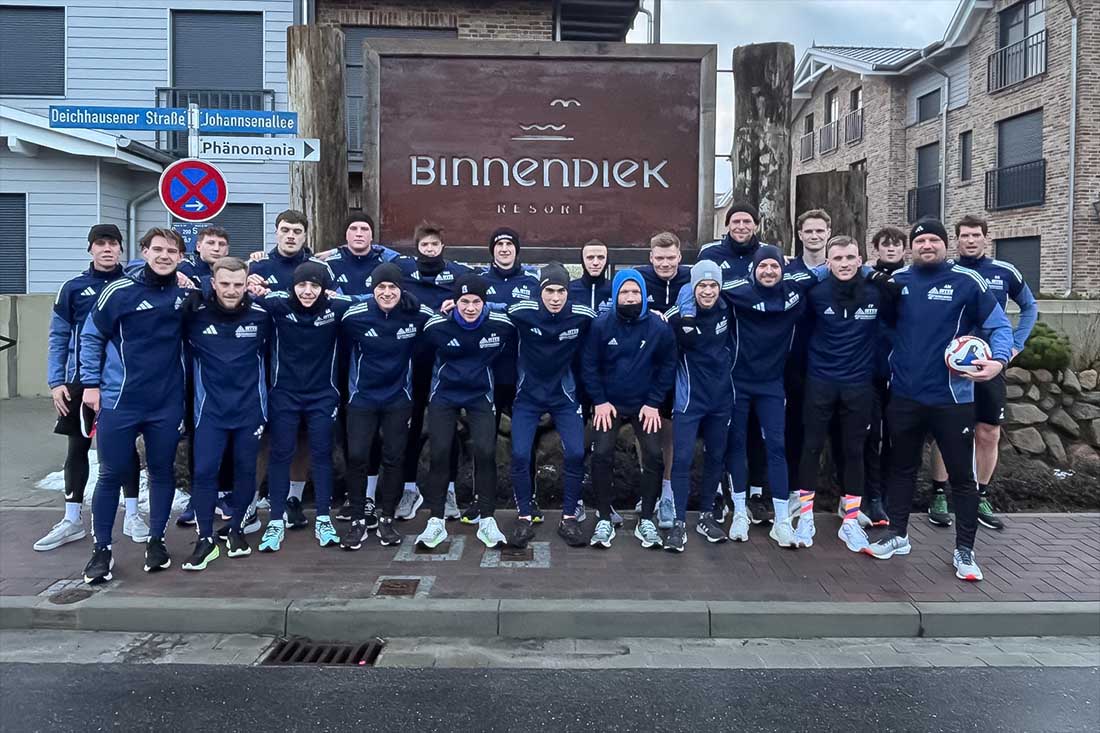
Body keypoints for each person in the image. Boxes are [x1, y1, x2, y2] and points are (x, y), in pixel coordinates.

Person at [865, 219, 1013, 583]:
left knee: (961, 477)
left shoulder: (967, 281)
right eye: (920, 241)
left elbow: (999, 326)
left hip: (951, 398)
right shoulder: (899, 281)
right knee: (902, 468)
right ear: (911, 247)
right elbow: (879, 320)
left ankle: (965, 550)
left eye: (934, 240)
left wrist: (998, 360)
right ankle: (898, 534)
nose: (927, 245)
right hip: (905, 395)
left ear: (946, 245)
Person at [677, 244, 821, 547]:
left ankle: (782, 521)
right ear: (753, 270)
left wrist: (868, 272)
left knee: (777, 446)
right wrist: (687, 312)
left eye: (774, 266)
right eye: (762, 266)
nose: (768, 271)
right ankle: (740, 512)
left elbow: (825, 271)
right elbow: (698, 285)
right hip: (738, 382)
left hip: (772, 384)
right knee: (737, 445)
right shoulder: (737, 291)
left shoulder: (794, 293)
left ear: (782, 269)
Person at [79, 228, 189, 584]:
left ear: (180, 257)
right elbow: (91, 336)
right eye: (157, 249)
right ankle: (101, 549)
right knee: (110, 473)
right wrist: (90, 385)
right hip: (120, 400)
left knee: (161, 472)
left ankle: (157, 540)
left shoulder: (186, 295)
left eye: (172, 251)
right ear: (144, 252)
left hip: (166, 403)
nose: (164, 256)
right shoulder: (119, 291)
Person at [37, 224, 147, 552]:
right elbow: (58, 337)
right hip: (79, 381)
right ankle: (71, 520)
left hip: (120, 380)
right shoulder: (73, 288)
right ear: (90, 249)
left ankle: (132, 514)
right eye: (100, 244)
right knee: (78, 448)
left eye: (113, 243)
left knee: (125, 448)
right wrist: (56, 381)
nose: (107, 249)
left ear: (121, 249)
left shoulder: (133, 284)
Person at [925, 215, 1038, 531]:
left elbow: (1029, 307)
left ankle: (981, 496)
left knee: (988, 432)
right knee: (946, 430)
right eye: (964, 235)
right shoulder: (946, 271)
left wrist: (1015, 345)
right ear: (956, 240)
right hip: (950, 367)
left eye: (976, 235)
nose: (970, 240)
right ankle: (938, 494)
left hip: (989, 365)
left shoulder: (1005, 271)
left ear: (986, 237)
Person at [794, 236, 894, 553]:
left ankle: (850, 520)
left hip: (859, 384)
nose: (845, 263)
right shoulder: (815, 292)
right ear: (828, 263)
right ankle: (805, 516)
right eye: (837, 258)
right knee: (811, 446)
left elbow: (895, 321)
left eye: (850, 257)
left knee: (854, 451)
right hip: (820, 381)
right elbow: (800, 335)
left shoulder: (875, 292)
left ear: (860, 260)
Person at [249, 262, 353, 553]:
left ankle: (323, 518)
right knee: (280, 453)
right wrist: (250, 281)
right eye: (302, 285)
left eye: (315, 286)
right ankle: (275, 520)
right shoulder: (277, 305)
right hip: (285, 394)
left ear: (324, 288)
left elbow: (370, 300)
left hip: (323, 395)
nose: (308, 291)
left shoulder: (335, 308)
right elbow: (237, 295)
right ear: (292, 287)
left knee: (321, 454)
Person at [179, 257, 270, 569]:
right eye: (225, 284)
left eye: (238, 284)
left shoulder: (262, 315)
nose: (231, 290)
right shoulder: (194, 314)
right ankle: (205, 538)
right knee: (205, 472)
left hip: (249, 410)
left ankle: (236, 530)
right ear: (213, 284)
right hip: (210, 411)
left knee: (245, 471)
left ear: (247, 285)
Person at [338, 263, 434, 549]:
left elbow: (441, 319)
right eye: (381, 287)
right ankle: (358, 520)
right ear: (373, 289)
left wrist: (423, 304)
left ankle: (387, 519)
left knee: (394, 458)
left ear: (401, 290)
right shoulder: (354, 317)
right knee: (357, 456)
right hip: (362, 399)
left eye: (393, 287)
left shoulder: (415, 314)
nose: (387, 292)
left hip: (398, 399)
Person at [247, 210, 334, 526]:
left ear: (305, 235)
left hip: (310, 369)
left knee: (303, 441)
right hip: (267, 368)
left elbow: (335, 301)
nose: (291, 236)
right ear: (276, 232)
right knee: (265, 441)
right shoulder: (258, 266)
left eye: (297, 231)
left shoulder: (319, 268)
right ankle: (250, 503)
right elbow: (232, 292)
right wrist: (247, 279)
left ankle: (293, 499)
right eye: (285, 230)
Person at [417, 274, 515, 550]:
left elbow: (519, 321)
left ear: (485, 303)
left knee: (485, 452)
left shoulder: (500, 324)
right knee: (439, 453)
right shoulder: (436, 326)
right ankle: (435, 520)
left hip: (480, 394)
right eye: (464, 302)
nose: (470, 308)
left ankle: (487, 519)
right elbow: (421, 356)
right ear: (454, 302)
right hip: (444, 395)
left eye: (476, 302)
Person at [315, 211, 400, 524]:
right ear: (345, 234)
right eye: (353, 228)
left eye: (365, 228)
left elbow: (398, 277)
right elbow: (308, 288)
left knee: (376, 437)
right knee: (349, 435)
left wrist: (347, 300)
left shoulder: (385, 262)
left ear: (372, 235)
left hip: (373, 358)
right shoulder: (329, 263)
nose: (359, 233)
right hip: (336, 356)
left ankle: (371, 497)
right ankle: (355, 495)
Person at [582, 269, 675, 549]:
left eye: (635, 292)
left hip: (645, 404)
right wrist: (599, 401)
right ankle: (603, 517)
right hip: (608, 404)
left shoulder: (659, 327)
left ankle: (646, 518)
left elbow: (667, 366)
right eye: (624, 292)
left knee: (654, 455)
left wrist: (654, 402)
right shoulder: (600, 325)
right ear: (615, 295)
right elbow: (589, 365)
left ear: (644, 295)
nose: (630, 297)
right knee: (601, 454)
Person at [506, 263, 596, 548]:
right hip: (528, 397)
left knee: (576, 453)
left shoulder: (581, 315)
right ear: (540, 292)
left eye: (561, 291)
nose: (555, 297)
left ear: (568, 292)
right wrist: (452, 306)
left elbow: (609, 321)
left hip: (563, 397)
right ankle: (524, 516)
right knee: (520, 454)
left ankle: (569, 518)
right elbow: (491, 309)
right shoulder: (522, 312)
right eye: (549, 291)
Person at [698, 202, 772, 523]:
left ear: (756, 224)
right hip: (721, 353)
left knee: (757, 431)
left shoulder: (767, 254)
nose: (741, 226)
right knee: (723, 431)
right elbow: (698, 291)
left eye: (747, 221)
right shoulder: (710, 253)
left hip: (759, 354)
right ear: (727, 225)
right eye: (736, 221)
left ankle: (756, 494)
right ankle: (718, 492)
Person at [394, 221, 473, 522]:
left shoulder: (458, 273)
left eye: (434, 245)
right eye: (424, 245)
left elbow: (482, 290)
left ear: (442, 246)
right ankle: (409, 489)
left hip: (445, 364)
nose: (429, 250)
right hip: (412, 363)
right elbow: (373, 257)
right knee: (411, 428)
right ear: (417, 247)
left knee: (447, 430)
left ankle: (449, 490)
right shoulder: (403, 271)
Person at [663, 261, 734, 552]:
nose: (707, 291)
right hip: (689, 399)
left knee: (716, 457)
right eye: (702, 285)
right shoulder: (678, 314)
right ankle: (678, 522)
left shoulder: (728, 307)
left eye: (713, 285)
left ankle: (706, 515)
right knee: (681, 459)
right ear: (693, 287)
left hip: (721, 397)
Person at [472, 227, 541, 523]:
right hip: (488, 375)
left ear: (516, 250)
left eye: (509, 245)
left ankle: (529, 499)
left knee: (526, 443)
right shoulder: (479, 281)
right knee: (484, 443)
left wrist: (497, 309)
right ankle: (481, 501)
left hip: (521, 374)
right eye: (498, 244)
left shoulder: (531, 282)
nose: (504, 249)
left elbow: (533, 314)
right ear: (492, 250)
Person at [637, 231, 691, 530]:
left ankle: (667, 493)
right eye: (659, 258)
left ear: (679, 256)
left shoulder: (691, 279)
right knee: (643, 430)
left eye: (671, 258)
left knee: (669, 430)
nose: (665, 264)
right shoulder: (640, 280)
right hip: (644, 366)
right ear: (651, 257)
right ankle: (648, 488)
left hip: (680, 366)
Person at [784, 210, 832, 512]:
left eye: (819, 230)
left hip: (833, 363)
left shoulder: (841, 267)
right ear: (800, 235)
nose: (814, 236)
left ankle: (846, 498)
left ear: (828, 233)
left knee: (835, 432)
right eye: (809, 231)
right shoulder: (787, 270)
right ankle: (794, 491)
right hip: (795, 363)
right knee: (795, 429)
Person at [861, 226, 909, 527]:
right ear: (876, 248)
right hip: (869, 368)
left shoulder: (912, 279)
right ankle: (873, 496)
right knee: (870, 436)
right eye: (885, 244)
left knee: (897, 436)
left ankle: (891, 496)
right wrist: (872, 274)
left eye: (896, 245)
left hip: (901, 371)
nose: (891, 249)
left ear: (904, 249)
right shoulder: (867, 277)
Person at [567, 238, 617, 525]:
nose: (595, 262)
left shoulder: (615, 290)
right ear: (582, 260)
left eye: (600, 257)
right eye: (590, 257)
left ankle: (604, 503)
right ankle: (575, 501)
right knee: (576, 444)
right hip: (575, 377)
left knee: (603, 447)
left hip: (607, 378)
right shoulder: (570, 290)